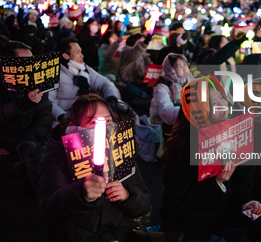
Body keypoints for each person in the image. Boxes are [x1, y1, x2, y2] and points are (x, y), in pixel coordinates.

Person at [38, 94, 151, 242]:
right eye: (94, 122)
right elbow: (48, 207)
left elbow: (146, 203)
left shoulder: (122, 153)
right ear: (75, 127)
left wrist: (127, 195)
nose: (103, 127)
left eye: (108, 121)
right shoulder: (57, 158)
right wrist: (81, 194)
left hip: (121, 236)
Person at [161, 77, 241, 241]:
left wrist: (249, 203)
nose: (222, 105)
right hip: (189, 228)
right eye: (212, 103)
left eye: (221, 97)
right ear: (198, 109)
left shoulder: (226, 135)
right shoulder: (183, 148)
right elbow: (177, 205)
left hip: (219, 220)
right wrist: (217, 183)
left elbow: (236, 185)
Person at [0, 41, 52, 170]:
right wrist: (21, 105)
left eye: (32, 62)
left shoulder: (37, 84)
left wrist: (23, 145)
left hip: (29, 146)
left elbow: (44, 118)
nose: (31, 67)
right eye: (26, 63)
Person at [49, 37, 121, 128]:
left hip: (87, 116)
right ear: (66, 56)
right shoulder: (53, 74)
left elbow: (105, 83)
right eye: (78, 52)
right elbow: (48, 102)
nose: (82, 55)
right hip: (64, 121)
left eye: (81, 51)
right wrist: (62, 116)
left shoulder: (84, 69)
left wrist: (112, 100)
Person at [150, 53, 193, 141]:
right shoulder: (161, 88)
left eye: (185, 65)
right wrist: (191, 112)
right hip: (165, 129)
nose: (185, 69)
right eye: (180, 66)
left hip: (182, 125)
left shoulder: (188, 84)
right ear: (170, 69)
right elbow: (167, 113)